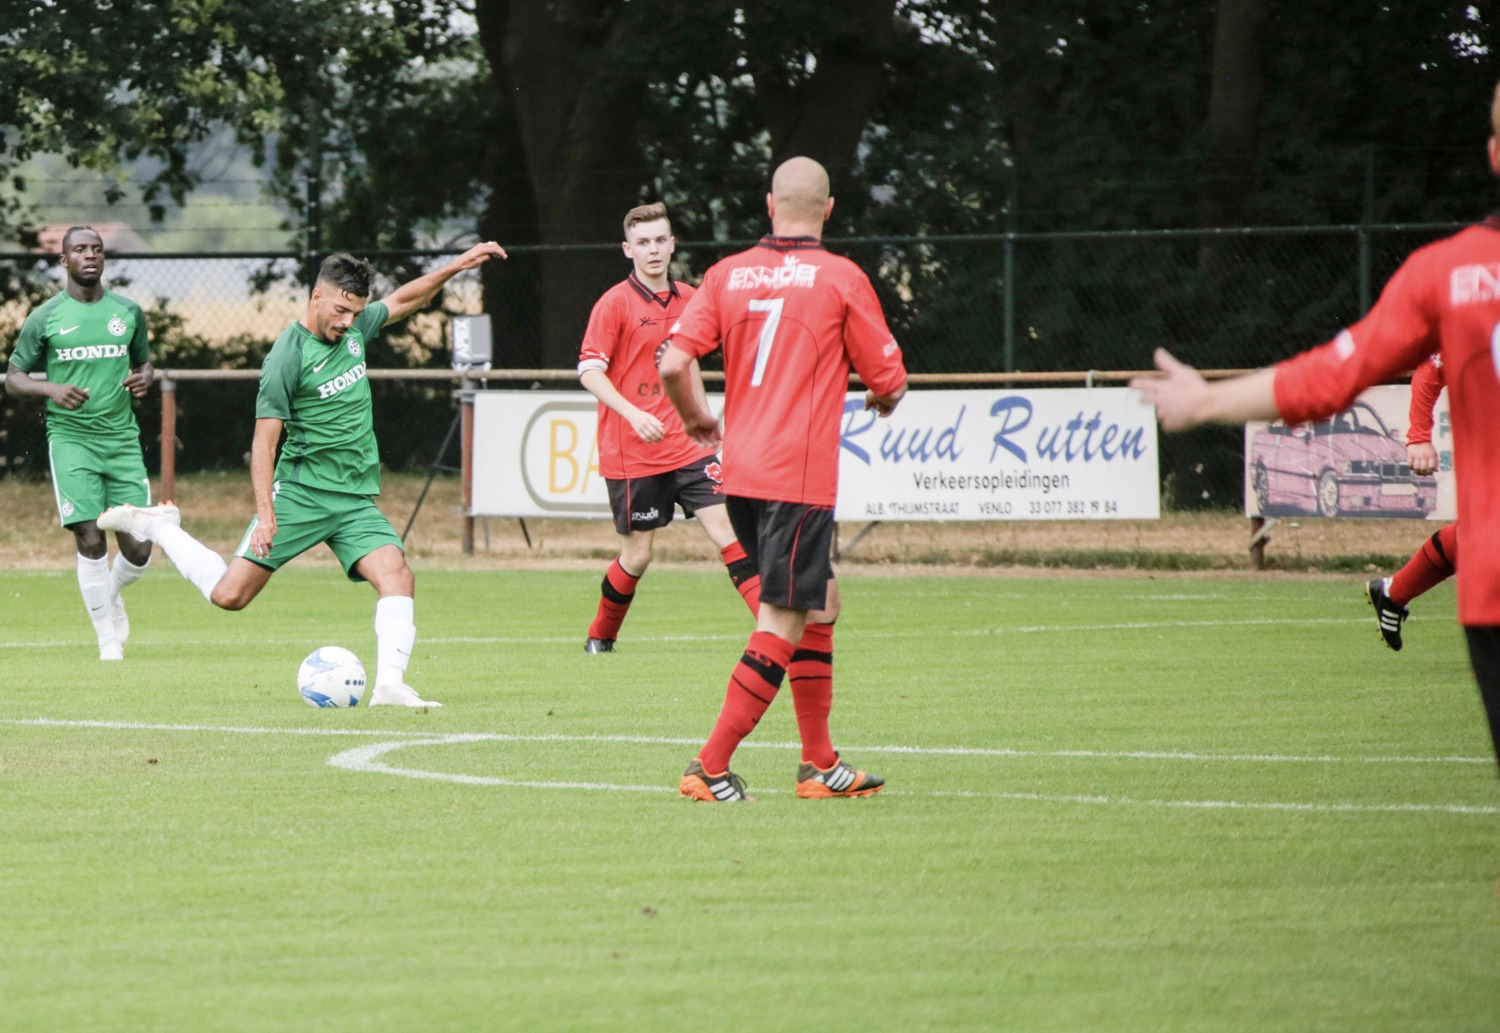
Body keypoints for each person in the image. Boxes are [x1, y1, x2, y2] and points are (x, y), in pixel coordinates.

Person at [1129, 79, 1500, 771]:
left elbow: (1329, 376)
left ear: (1492, 153)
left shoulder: (1447, 273)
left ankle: (1393, 591)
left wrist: (1207, 400)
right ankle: (1394, 591)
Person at [98, 243, 507, 706]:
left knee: (397, 576)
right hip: (302, 493)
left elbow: (406, 300)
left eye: (354, 312)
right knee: (230, 596)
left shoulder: (354, 331)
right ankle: (160, 527)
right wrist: (266, 515)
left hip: (353, 500)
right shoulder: (286, 358)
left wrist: (456, 266)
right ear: (316, 297)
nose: (347, 322)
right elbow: (263, 443)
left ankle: (389, 686)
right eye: (339, 310)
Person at [658, 156, 909, 801]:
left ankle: (820, 764)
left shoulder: (725, 274)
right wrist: (882, 396)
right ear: (829, 210)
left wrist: (697, 420)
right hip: (796, 479)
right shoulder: (841, 278)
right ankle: (708, 766)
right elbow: (888, 380)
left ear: (770, 205)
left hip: (738, 470)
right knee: (781, 617)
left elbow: (674, 363)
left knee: (822, 604)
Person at [576, 203, 761, 654]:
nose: (653, 249)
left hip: (688, 446)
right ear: (628, 250)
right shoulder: (613, 304)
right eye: (643, 242)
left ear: (672, 244)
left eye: (660, 240)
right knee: (638, 555)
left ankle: (775, 633)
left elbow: (687, 362)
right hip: (633, 451)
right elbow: (589, 371)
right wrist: (633, 414)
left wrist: (701, 416)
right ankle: (601, 635)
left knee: (729, 533)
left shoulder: (693, 298)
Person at [5, 226, 155, 661]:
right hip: (71, 439)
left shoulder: (127, 312)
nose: (90, 256)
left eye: (96, 249)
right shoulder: (46, 317)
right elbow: (14, 377)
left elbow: (145, 361)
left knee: (140, 548)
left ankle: (109, 594)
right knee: (91, 539)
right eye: (79, 250)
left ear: (104, 258)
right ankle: (107, 639)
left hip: (121, 439)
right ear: (64, 261)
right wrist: (50, 389)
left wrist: (145, 377)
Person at [1365, 352, 1457, 650]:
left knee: (1483, 534)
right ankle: (1394, 592)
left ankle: (1394, 593)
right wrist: (1418, 436)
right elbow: (1432, 368)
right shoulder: (1482, 314)